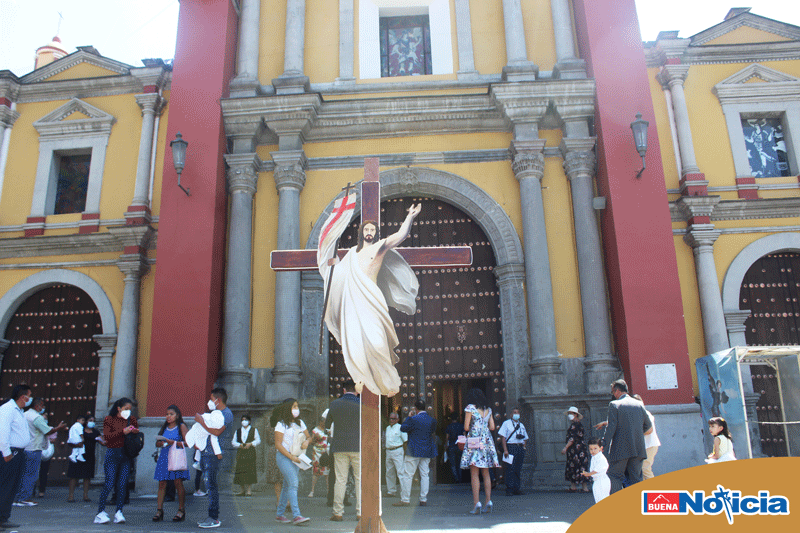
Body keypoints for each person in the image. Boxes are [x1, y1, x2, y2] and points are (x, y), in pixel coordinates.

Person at [318, 203, 422, 397]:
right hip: (353, 306)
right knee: (356, 348)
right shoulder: (350, 255)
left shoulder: (379, 247)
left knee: (377, 343)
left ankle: (387, 381)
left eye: (372, 230)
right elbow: (336, 275)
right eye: (366, 229)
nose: (369, 232)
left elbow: (399, 236)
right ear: (361, 233)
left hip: (373, 303)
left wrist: (410, 217)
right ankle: (364, 381)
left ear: (376, 233)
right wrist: (330, 262)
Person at [599, 379, 652, 494]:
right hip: (638, 449)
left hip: (620, 448)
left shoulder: (614, 405)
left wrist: (603, 446)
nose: (613, 395)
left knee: (615, 476)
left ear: (617, 391)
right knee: (636, 479)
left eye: (613, 392)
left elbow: (611, 428)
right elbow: (648, 426)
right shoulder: (639, 404)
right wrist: (635, 433)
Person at [193, 387, 233, 529]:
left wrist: (201, 421)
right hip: (206, 452)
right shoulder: (215, 413)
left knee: (211, 486)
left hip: (214, 454)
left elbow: (216, 432)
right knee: (209, 485)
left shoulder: (226, 414)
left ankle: (214, 518)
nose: (209, 402)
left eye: (211, 399)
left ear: (218, 400)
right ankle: (211, 516)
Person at [94, 397, 138, 525]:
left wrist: (134, 432)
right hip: (113, 453)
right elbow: (108, 437)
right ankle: (100, 512)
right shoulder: (109, 419)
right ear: (119, 408)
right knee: (109, 482)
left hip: (126, 454)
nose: (128, 411)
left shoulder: (132, 420)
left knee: (122, 484)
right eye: (126, 409)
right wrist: (122, 432)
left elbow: (135, 434)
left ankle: (119, 512)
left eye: (130, 409)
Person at [15, 398, 65, 506]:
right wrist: (58, 428)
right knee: (31, 475)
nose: (43, 408)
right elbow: (48, 431)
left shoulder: (25, 414)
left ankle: (18, 497)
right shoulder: (37, 417)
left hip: (24, 447)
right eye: (42, 405)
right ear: (37, 406)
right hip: (34, 448)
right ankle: (24, 498)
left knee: (23, 474)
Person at [325, 380, 361, 521]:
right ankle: (360, 512)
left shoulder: (334, 404)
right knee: (359, 480)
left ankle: (338, 512)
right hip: (357, 446)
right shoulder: (361, 404)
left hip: (339, 446)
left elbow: (327, 426)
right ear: (356, 391)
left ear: (344, 390)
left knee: (340, 480)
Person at [459, 389, 499, 515]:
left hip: (474, 441)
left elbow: (466, 427)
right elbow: (492, 427)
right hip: (486, 441)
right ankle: (488, 501)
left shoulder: (470, 408)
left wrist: (473, 426)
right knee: (486, 473)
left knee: (474, 474)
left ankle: (476, 503)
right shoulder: (488, 409)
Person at [0, 384, 33, 530]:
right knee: (6, 485)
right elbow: (3, 431)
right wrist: (6, 453)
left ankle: (4, 516)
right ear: (23, 396)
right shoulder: (8, 409)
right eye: (29, 396)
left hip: (18, 452)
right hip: (10, 453)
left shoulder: (18, 410)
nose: (30, 399)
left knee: (12, 486)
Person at [273, 398, 311, 525]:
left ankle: (279, 514)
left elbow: (309, 436)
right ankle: (296, 515)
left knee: (287, 485)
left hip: (296, 457)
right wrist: (291, 457)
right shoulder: (281, 424)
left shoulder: (300, 423)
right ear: (288, 408)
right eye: (294, 406)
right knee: (294, 483)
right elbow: (278, 444)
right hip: (284, 457)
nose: (296, 409)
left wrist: (307, 441)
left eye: (297, 406)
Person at [394, 400, 437, 508]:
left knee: (408, 475)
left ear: (416, 409)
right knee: (425, 474)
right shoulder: (432, 420)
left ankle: (405, 499)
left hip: (413, 450)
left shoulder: (413, 419)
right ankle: (423, 499)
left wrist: (408, 417)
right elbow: (432, 431)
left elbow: (403, 428)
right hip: (426, 450)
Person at [153, 405, 189, 522]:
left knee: (178, 483)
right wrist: (160, 443)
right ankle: (159, 510)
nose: (168, 416)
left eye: (171, 414)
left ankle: (181, 510)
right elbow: (159, 443)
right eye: (167, 414)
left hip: (176, 457)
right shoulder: (164, 427)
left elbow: (188, 443)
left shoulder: (181, 426)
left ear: (177, 415)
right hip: (164, 457)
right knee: (162, 484)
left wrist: (172, 442)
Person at [68, 414, 102, 503]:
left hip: (89, 455)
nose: (92, 422)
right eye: (90, 420)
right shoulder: (80, 429)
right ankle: (71, 495)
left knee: (87, 477)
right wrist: (76, 445)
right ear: (86, 421)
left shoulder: (95, 432)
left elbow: (101, 440)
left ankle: (85, 495)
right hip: (78, 454)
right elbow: (70, 441)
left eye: (93, 420)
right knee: (73, 475)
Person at [498, 406, 528, 496]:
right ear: (511, 414)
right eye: (514, 412)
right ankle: (509, 488)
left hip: (519, 447)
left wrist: (524, 446)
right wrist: (505, 449)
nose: (516, 414)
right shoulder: (506, 423)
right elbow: (503, 437)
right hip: (510, 447)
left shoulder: (521, 425)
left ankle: (516, 488)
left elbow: (525, 437)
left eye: (517, 413)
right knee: (510, 468)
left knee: (517, 468)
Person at [561, 406, 589, 493]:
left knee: (577, 466)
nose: (569, 415)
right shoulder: (577, 424)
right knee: (576, 466)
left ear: (575, 414)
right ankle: (575, 486)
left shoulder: (575, 425)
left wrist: (566, 447)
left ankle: (583, 487)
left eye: (571, 413)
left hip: (576, 449)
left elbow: (572, 438)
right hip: (577, 449)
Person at [632, 394, 660, 479]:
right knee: (642, 469)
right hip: (645, 446)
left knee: (645, 468)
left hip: (650, 445)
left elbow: (648, 430)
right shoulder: (636, 415)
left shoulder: (646, 414)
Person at [232, 414, 261, 497]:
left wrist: (251, 444)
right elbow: (233, 442)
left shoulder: (253, 430)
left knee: (250, 471)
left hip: (250, 452)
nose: (244, 421)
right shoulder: (238, 431)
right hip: (241, 452)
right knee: (240, 471)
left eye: (246, 420)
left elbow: (258, 440)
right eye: (242, 420)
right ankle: (242, 490)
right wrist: (239, 445)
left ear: (249, 421)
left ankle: (249, 490)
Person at [384, 411, 406, 497]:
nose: (391, 420)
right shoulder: (387, 428)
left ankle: (404, 492)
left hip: (398, 451)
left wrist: (404, 453)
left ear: (397, 419)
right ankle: (391, 491)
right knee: (389, 472)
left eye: (393, 418)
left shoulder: (401, 427)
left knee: (401, 472)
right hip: (388, 451)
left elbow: (405, 441)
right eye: (390, 418)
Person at [581, 437, 610, 503]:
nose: (593, 451)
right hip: (597, 481)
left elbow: (597, 469)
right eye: (591, 449)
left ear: (600, 448)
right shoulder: (594, 457)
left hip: (602, 481)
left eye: (595, 448)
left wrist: (588, 474)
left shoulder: (600, 458)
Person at [308, 415, 329, 498]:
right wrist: (316, 439)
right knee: (316, 471)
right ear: (321, 422)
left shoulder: (328, 430)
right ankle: (312, 490)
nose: (325, 424)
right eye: (324, 422)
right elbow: (311, 442)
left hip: (326, 453)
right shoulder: (315, 430)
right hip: (317, 452)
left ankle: (328, 490)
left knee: (327, 472)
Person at [444, 412, 463, 483]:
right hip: (460, 446)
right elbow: (464, 435)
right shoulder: (461, 426)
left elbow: (447, 438)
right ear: (457, 418)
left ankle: (456, 478)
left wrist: (446, 446)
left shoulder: (449, 426)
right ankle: (460, 478)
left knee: (453, 464)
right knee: (459, 463)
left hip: (451, 446)